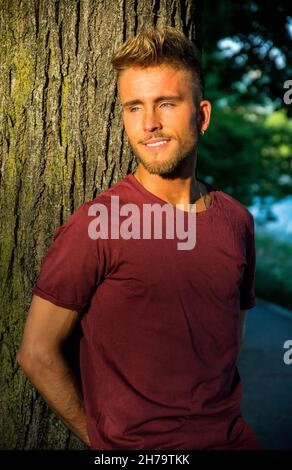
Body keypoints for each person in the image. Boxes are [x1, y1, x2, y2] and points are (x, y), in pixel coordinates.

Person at [17, 26, 262, 450]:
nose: (149, 124)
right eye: (134, 107)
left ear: (201, 116)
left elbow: (229, 337)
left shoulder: (237, 221)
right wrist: (106, 444)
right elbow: (36, 353)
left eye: (166, 104)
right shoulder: (97, 225)